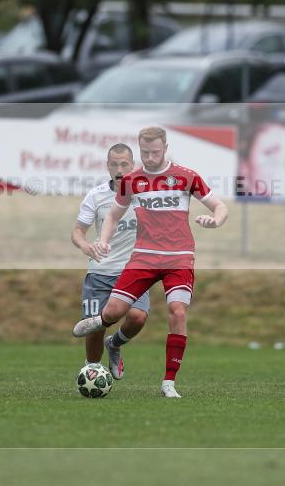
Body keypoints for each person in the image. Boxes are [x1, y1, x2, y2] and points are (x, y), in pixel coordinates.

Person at [72, 126, 229, 398]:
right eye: (145, 152)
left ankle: (169, 382)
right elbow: (112, 216)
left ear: (165, 148)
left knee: (177, 312)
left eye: (155, 152)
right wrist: (105, 240)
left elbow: (220, 205)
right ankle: (102, 325)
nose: (150, 157)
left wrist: (215, 220)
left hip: (179, 258)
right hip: (144, 257)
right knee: (112, 313)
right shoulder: (132, 181)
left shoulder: (186, 176)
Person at [71, 143, 150, 379]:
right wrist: (86, 245)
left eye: (124, 164)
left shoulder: (145, 195)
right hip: (101, 270)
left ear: (133, 165)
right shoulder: (96, 196)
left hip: (134, 270)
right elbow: (77, 231)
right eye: (114, 164)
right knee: (95, 325)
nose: (119, 169)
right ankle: (92, 370)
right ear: (107, 166)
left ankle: (114, 344)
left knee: (137, 317)